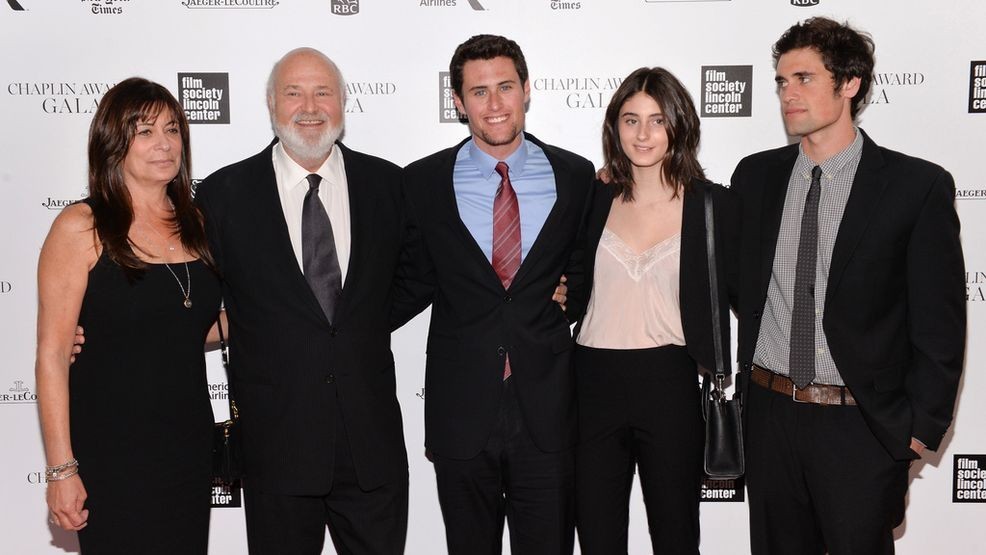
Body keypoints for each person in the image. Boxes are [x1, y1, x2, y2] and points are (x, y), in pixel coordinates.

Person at [731, 17, 965, 554]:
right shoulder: (756, 176)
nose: (789, 94)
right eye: (782, 81)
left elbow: (940, 323)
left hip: (859, 426)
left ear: (850, 84)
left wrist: (917, 429)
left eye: (805, 79)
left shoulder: (916, 186)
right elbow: (736, 282)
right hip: (770, 415)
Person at [194, 47, 409, 554]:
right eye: (294, 92)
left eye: (322, 92)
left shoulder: (389, 185)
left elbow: (419, 274)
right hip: (276, 447)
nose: (308, 106)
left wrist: (363, 324)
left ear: (343, 103)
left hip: (371, 447)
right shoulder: (224, 195)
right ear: (271, 103)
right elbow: (192, 295)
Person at [397, 34, 595, 555]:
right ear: (458, 103)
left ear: (527, 90)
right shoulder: (421, 183)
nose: (495, 103)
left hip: (548, 411)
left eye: (506, 86)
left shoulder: (575, 177)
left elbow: (588, 270)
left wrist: (569, 299)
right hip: (461, 412)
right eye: (479, 91)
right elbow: (406, 279)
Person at [36, 77, 221, 554]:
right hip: (112, 450)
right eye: (144, 131)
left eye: (173, 129)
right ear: (113, 143)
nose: (164, 143)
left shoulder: (197, 224)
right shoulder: (82, 226)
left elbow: (184, 328)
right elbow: (53, 354)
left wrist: (282, 313)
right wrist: (61, 469)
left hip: (188, 446)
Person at [568, 67, 737, 555]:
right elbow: (566, 276)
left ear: (679, 126)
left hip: (670, 380)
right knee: (597, 536)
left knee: (676, 534)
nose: (642, 134)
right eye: (630, 119)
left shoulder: (711, 206)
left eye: (657, 120)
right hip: (591, 380)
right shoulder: (591, 195)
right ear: (614, 127)